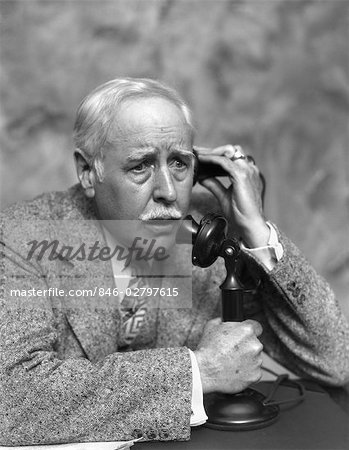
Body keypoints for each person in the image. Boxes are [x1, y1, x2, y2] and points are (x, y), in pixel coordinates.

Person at [1, 77, 348, 446]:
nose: (168, 192)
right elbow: (10, 398)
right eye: (141, 166)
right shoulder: (20, 236)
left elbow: (333, 361)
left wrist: (257, 232)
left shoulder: (210, 229)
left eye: (179, 163)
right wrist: (199, 371)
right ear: (89, 172)